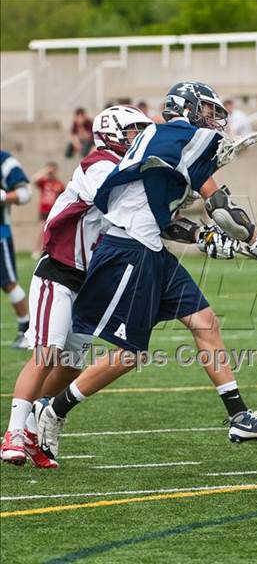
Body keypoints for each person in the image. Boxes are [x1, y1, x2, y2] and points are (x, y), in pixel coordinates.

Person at [34, 82, 257, 463]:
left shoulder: (169, 141)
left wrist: (208, 238)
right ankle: (53, 410)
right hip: (129, 250)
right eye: (205, 109)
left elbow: (169, 216)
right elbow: (220, 206)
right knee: (130, 355)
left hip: (149, 245)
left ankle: (238, 416)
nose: (211, 118)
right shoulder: (176, 135)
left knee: (205, 321)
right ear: (185, 108)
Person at [0, 105, 153, 468]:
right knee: (46, 353)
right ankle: (13, 432)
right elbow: (116, 199)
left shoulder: (131, 174)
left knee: (69, 366)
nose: (138, 139)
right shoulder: (98, 165)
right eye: (133, 131)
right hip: (59, 270)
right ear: (111, 133)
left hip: (88, 281)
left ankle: (36, 424)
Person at [0, 150, 32, 349]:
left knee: (8, 282)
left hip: (0, 233)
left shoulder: (4, 160)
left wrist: (3, 196)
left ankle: (26, 330)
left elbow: (25, 193)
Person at [32, 162, 65, 259]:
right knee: (41, 230)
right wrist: (45, 170)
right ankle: (36, 250)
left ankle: (47, 250)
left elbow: (64, 196)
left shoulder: (58, 184)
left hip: (53, 210)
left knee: (50, 230)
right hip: (44, 209)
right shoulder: (44, 182)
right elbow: (34, 179)